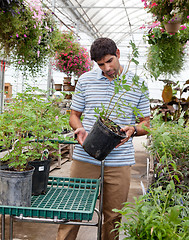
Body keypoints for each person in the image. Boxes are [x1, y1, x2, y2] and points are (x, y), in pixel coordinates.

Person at [56, 38, 150, 240]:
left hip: (119, 161)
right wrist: (79, 128)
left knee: (113, 216)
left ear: (118, 53)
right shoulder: (85, 80)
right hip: (86, 155)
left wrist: (133, 129)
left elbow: (146, 124)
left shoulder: (137, 83)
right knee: (73, 210)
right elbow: (74, 115)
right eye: (101, 64)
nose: (107, 68)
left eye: (110, 61)